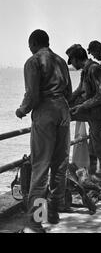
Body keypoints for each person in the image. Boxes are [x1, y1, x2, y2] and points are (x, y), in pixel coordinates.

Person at [16, 30, 72, 233]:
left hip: (45, 114)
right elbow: (69, 92)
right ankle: (54, 211)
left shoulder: (33, 61)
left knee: (40, 168)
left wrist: (21, 110)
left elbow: (32, 94)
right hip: (63, 111)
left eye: (29, 45)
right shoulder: (61, 62)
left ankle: (37, 220)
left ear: (33, 43)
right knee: (60, 164)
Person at [66, 44, 101, 201]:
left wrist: (81, 106)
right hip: (93, 115)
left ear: (76, 59)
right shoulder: (86, 71)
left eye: (72, 61)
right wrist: (66, 102)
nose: (72, 65)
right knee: (97, 145)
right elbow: (79, 91)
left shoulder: (94, 69)